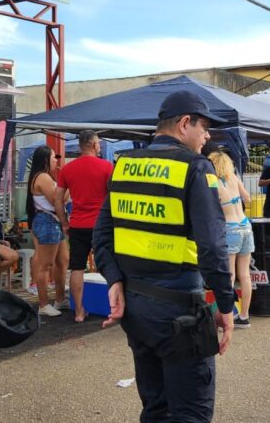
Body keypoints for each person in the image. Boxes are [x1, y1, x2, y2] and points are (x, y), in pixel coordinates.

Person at [93, 90, 235, 422]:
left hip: (138, 310)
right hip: (181, 313)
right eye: (204, 126)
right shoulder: (196, 168)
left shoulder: (125, 166)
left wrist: (114, 279)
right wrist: (226, 307)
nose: (207, 135)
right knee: (191, 413)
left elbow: (102, 234)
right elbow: (213, 248)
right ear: (185, 123)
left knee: (155, 407)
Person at [54, 130, 113, 322]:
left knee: (77, 268)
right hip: (101, 225)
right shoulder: (106, 167)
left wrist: (64, 223)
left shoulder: (67, 170)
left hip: (77, 225)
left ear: (80, 145)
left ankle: (79, 312)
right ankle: (114, 306)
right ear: (95, 145)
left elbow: (57, 200)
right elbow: (114, 196)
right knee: (110, 264)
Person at [208, 151, 254, 329]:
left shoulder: (213, 182)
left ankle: (224, 317)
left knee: (229, 275)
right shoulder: (234, 178)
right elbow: (248, 199)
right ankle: (244, 316)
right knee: (245, 275)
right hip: (245, 226)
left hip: (230, 229)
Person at [26, 146, 69, 316]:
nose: (56, 160)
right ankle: (43, 304)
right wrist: (69, 186)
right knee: (45, 264)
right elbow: (56, 200)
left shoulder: (45, 176)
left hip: (53, 221)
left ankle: (59, 299)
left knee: (62, 260)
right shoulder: (42, 177)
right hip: (47, 221)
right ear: (45, 159)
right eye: (53, 157)